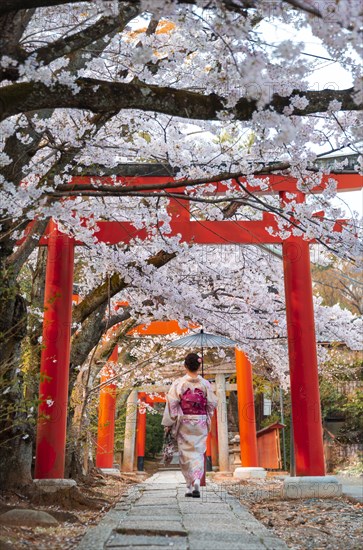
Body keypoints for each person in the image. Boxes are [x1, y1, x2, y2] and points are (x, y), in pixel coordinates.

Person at [161, 352, 218, 498]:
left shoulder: (179, 383)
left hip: (185, 420)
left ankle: (188, 486)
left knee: (185, 452)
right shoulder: (205, 384)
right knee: (198, 451)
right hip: (200, 421)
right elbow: (211, 403)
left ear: (185, 365)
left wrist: (171, 420)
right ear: (199, 366)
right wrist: (206, 415)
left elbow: (172, 403)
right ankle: (197, 480)